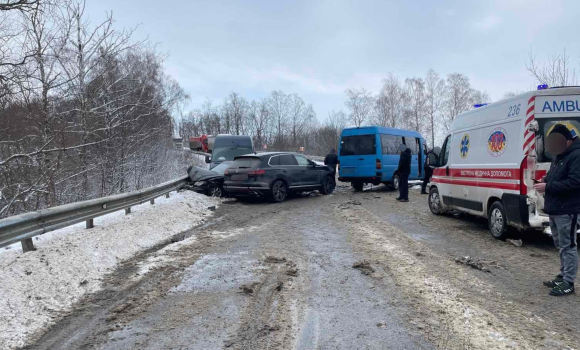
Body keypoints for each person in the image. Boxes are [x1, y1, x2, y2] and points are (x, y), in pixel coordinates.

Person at [533, 124, 580, 296]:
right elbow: (555, 175)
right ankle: (563, 275)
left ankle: (568, 282)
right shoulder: (559, 155)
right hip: (555, 208)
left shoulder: (576, 155)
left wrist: (548, 186)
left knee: (568, 246)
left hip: (568, 209)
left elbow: (575, 182)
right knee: (560, 244)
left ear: (567, 140)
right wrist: (544, 179)